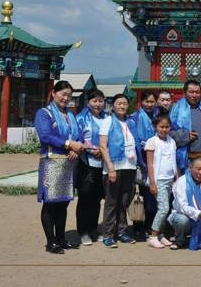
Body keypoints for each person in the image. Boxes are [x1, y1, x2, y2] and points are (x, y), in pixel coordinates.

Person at [34, 80, 84, 254]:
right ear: (53, 93)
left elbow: (79, 136)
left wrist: (76, 149)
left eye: (69, 95)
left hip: (70, 163)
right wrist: (69, 144)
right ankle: (51, 242)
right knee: (50, 203)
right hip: (52, 162)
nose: (66, 98)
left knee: (63, 203)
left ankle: (61, 239)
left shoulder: (71, 115)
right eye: (63, 94)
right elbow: (45, 136)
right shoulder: (44, 113)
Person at [98, 93, 138, 248]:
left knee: (124, 202)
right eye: (119, 103)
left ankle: (121, 232)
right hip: (115, 167)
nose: (122, 106)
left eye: (125, 103)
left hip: (130, 167)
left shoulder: (131, 122)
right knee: (112, 202)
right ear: (113, 106)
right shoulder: (107, 121)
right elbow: (103, 146)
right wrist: (110, 168)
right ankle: (108, 234)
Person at [74, 89, 107, 246]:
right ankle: (83, 231)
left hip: (102, 164)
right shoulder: (80, 119)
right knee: (85, 198)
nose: (98, 104)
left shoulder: (107, 118)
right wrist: (91, 150)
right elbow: (77, 138)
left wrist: (103, 151)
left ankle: (93, 229)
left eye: (100, 101)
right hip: (86, 163)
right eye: (94, 101)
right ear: (88, 102)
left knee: (97, 198)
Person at [144, 113, 178, 249]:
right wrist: (152, 183)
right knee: (163, 208)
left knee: (166, 208)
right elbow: (150, 164)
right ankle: (153, 236)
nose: (164, 129)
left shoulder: (171, 141)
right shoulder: (152, 141)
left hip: (170, 179)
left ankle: (161, 234)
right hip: (159, 180)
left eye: (167, 127)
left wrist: (176, 178)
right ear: (155, 127)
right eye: (161, 127)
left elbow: (173, 160)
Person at [170, 80, 201, 172]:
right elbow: (168, 131)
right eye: (191, 92)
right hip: (186, 160)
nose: (194, 95)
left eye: (197, 92)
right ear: (184, 93)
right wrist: (185, 136)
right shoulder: (175, 109)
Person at [130, 90, 158, 240]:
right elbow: (134, 142)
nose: (149, 104)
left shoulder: (158, 117)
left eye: (152, 101)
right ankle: (138, 227)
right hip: (140, 162)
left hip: (155, 162)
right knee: (139, 196)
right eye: (147, 101)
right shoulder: (134, 118)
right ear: (141, 102)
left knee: (151, 197)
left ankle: (150, 225)